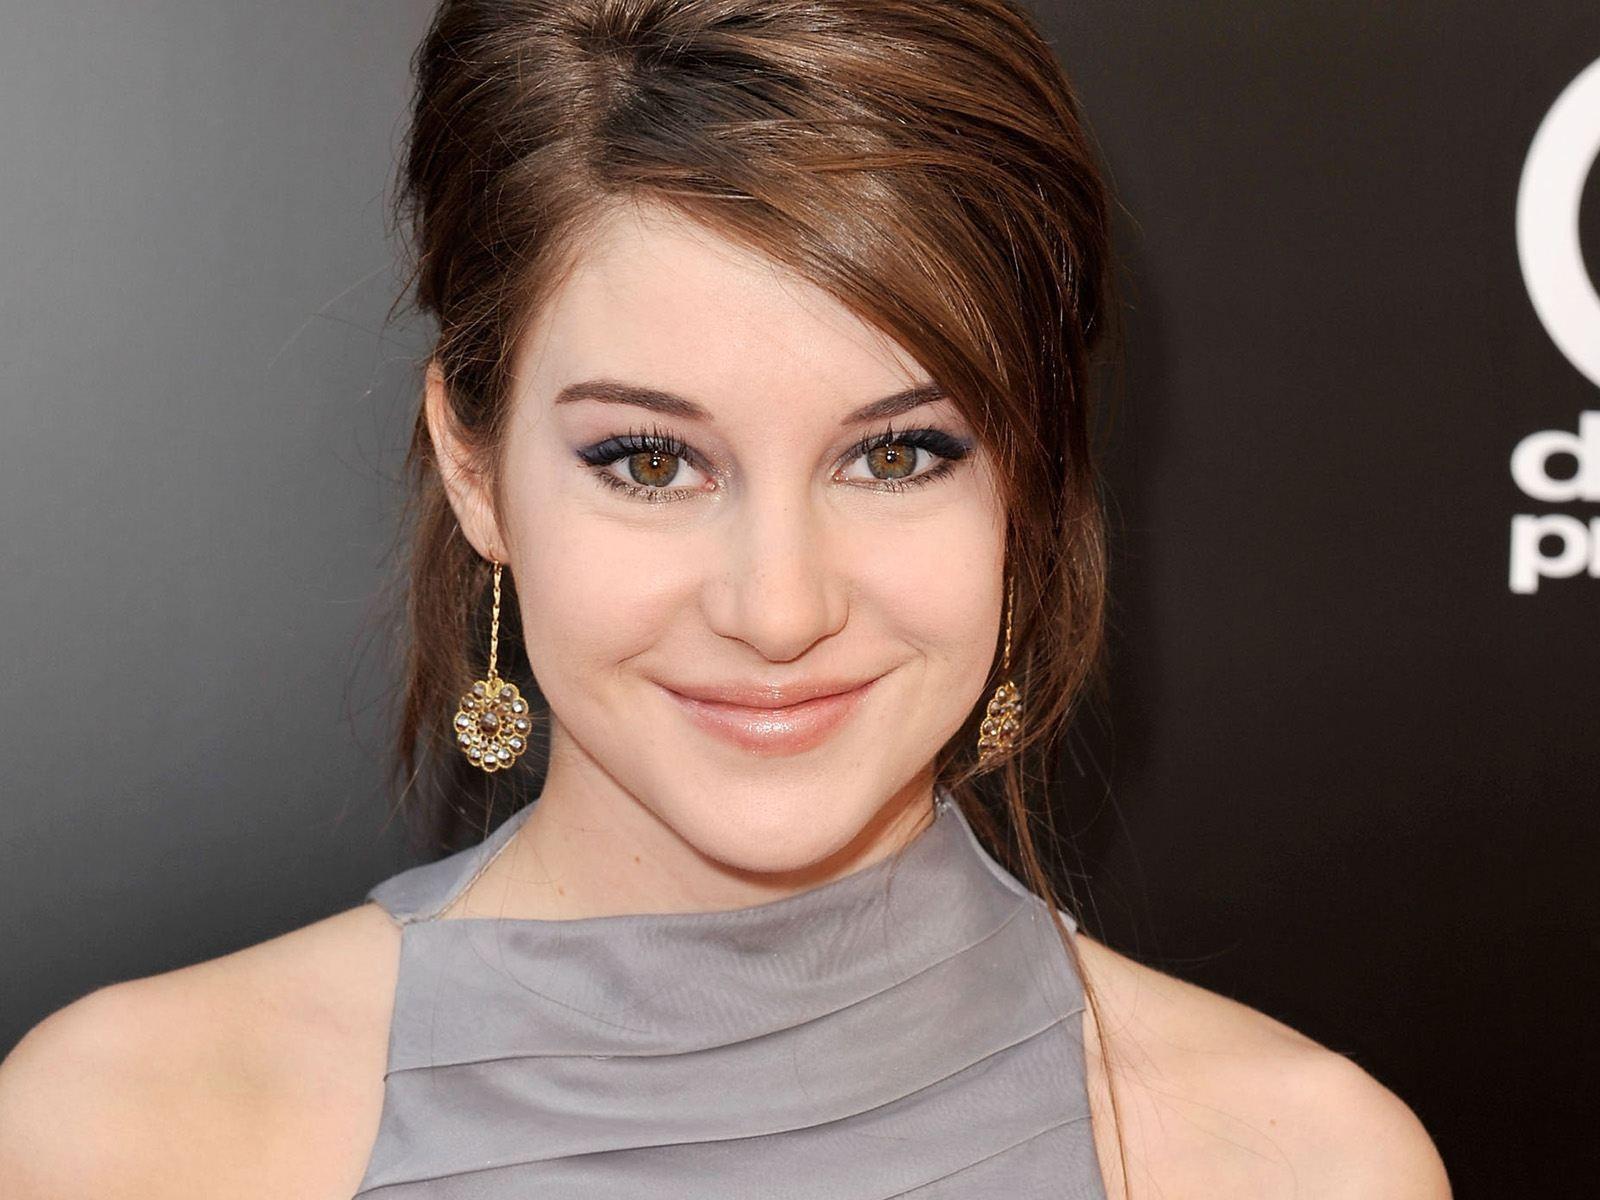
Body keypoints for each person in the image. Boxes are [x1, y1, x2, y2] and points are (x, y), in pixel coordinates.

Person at [0, 1, 1451, 1195]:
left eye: (898, 453)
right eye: (650, 461)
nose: (779, 608)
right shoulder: (123, 1138)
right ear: (475, 469)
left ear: (1028, 476)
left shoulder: (1302, 1165)